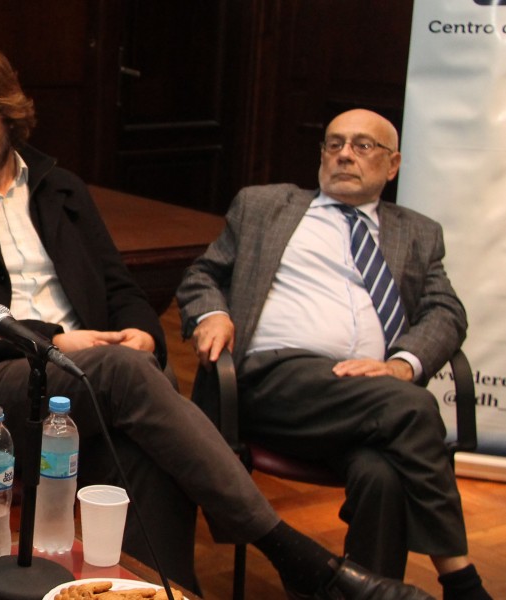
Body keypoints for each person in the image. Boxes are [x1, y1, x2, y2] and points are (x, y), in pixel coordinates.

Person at [0, 45, 433, 599]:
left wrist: (142, 330)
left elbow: (120, 285)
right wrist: (53, 340)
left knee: (152, 447)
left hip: (101, 378)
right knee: (136, 379)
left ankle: (170, 593)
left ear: (11, 116)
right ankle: (295, 553)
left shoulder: (61, 188)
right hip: (7, 379)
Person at [178, 108, 490, 598]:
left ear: (393, 165)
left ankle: (364, 591)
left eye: (363, 146)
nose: (344, 153)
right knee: (412, 406)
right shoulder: (264, 207)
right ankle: (461, 579)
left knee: (382, 473)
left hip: (367, 402)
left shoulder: (419, 232)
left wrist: (400, 364)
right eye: (334, 143)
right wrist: (211, 314)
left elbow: (446, 312)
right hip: (271, 381)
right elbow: (202, 276)